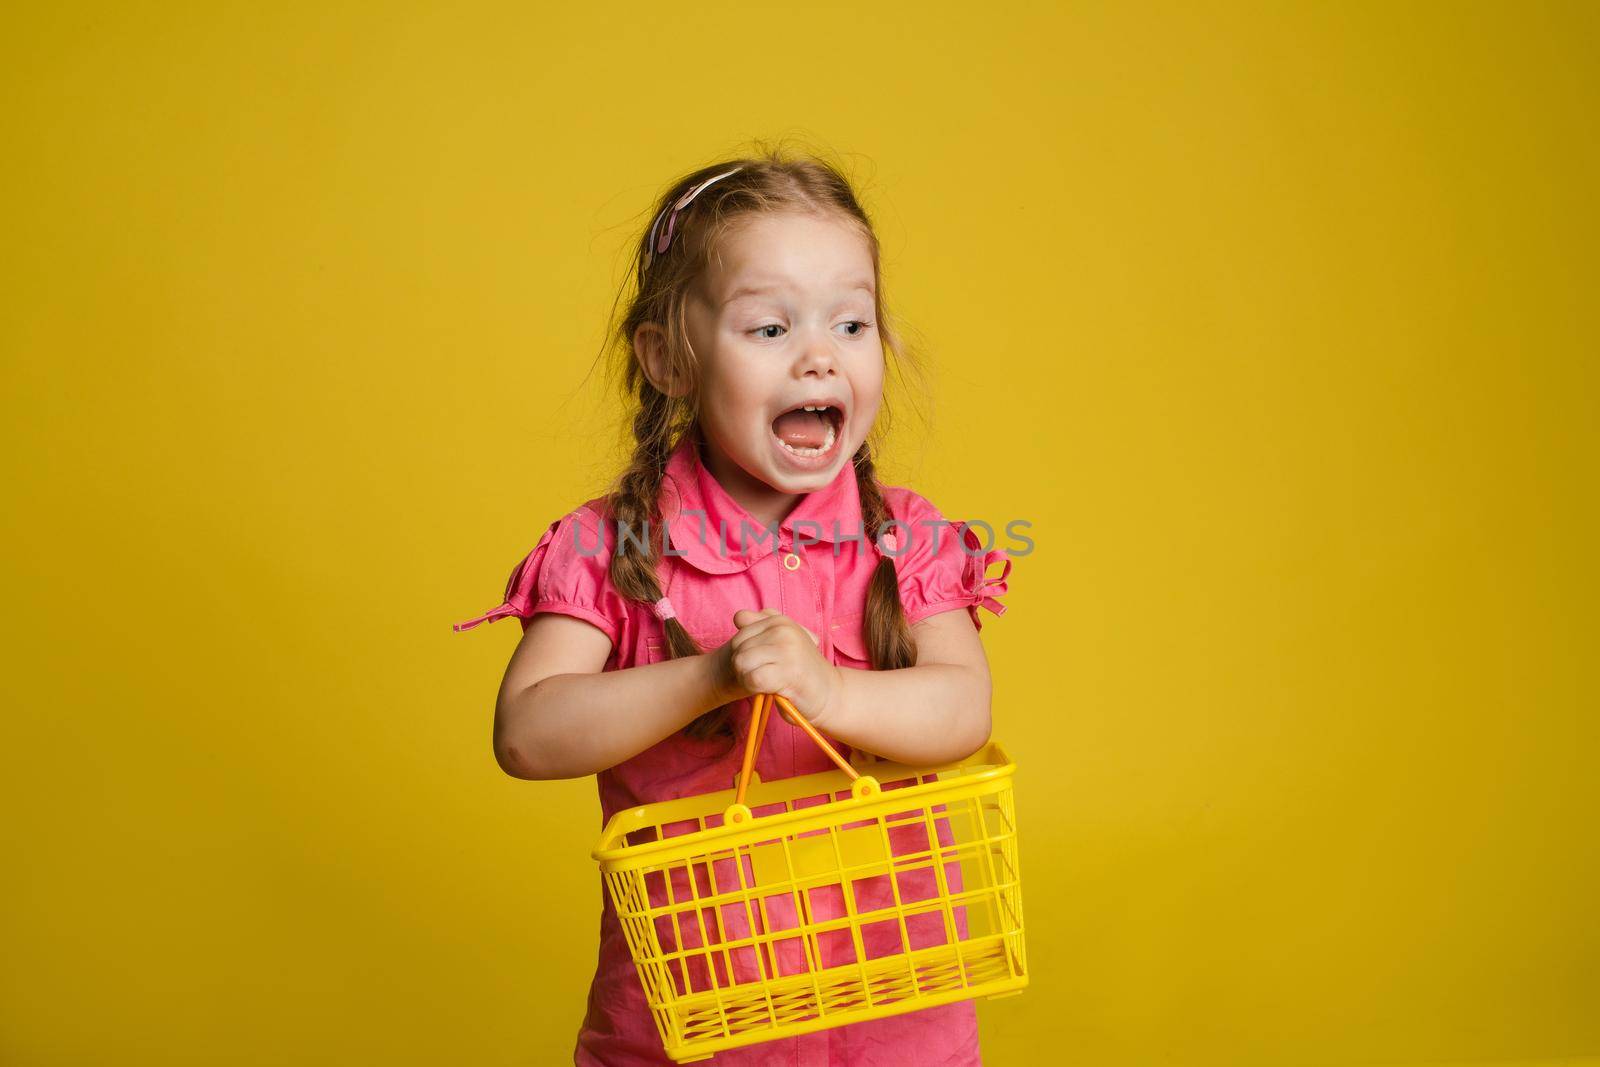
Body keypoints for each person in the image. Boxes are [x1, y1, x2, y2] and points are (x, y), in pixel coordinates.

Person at [454, 148, 1014, 1066]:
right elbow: (526, 732)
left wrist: (829, 694)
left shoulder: (904, 533)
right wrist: (713, 675)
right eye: (768, 328)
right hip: (688, 1025)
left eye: (851, 322)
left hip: (892, 1013)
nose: (820, 354)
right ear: (669, 357)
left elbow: (964, 706)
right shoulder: (610, 544)